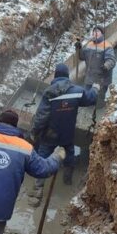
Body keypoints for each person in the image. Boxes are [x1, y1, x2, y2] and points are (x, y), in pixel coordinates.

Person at [28, 64, 98, 200]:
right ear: (67, 76)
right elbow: (90, 99)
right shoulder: (77, 91)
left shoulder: (49, 92)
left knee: (43, 158)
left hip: (49, 134)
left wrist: (34, 132)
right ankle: (67, 180)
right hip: (67, 133)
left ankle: (38, 188)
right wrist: (95, 88)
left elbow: (41, 116)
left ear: (55, 76)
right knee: (69, 155)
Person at [76, 25, 115, 108]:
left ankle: (99, 118)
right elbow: (82, 57)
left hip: (101, 80)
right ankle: (86, 117)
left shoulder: (107, 46)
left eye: (97, 31)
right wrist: (79, 49)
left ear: (102, 34)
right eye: (94, 31)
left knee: (98, 103)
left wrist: (106, 66)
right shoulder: (89, 44)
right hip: (89, 79)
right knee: (86, 101)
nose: (95, 33)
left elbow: (111, 60)